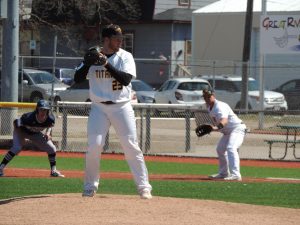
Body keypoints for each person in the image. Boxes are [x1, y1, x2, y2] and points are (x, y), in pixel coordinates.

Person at [74, 24, 152, 199]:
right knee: (94, 146)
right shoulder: (94, 55)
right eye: (116, 39)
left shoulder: (125, 56)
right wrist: (87, 63)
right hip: (98, 107)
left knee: (131, 146)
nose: (120, 41)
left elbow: (125, 79)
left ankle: (144, 187)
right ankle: (90, 186)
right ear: (106, 39)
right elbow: (77, 79)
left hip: (121, 106)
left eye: (120, 39)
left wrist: (106, 64)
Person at [0, 100, 64, 177]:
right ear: (37, 110)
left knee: (52, 148)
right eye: (41, 109)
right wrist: (21, 138)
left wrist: (47, 133)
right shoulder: (28, 117)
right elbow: (15, 123)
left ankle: (53, 171)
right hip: (21, 131)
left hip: (35, 133)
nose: (43, 112)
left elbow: (49, 126)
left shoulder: (50, 118)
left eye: (45, 110)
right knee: (17, 148)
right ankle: (0, 168)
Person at [202, 89, 246, 181]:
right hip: (228, 132)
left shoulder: (220, 106)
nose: (208, 98)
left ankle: (236, 175)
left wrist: (214, 128)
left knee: (231, 147)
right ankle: (223, 173)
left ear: (213, 95)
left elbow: (224, 121)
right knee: (220, 149)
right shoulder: (209, 107)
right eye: (205, 96)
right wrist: (212, 128)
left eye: (209, 96)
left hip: (237, 129)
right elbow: (219, 123)